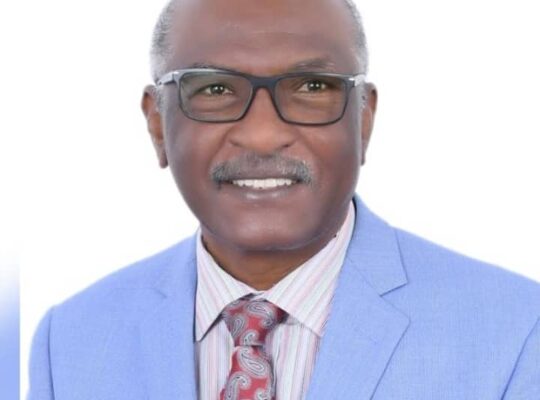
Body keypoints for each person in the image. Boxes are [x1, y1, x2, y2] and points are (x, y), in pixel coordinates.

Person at [28, 0, 540, 399]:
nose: (263, 135)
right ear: (157, 124)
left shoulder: (518, 332)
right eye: (215, 89)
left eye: (312, 86)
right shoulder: (70, 341)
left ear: (364, 119)